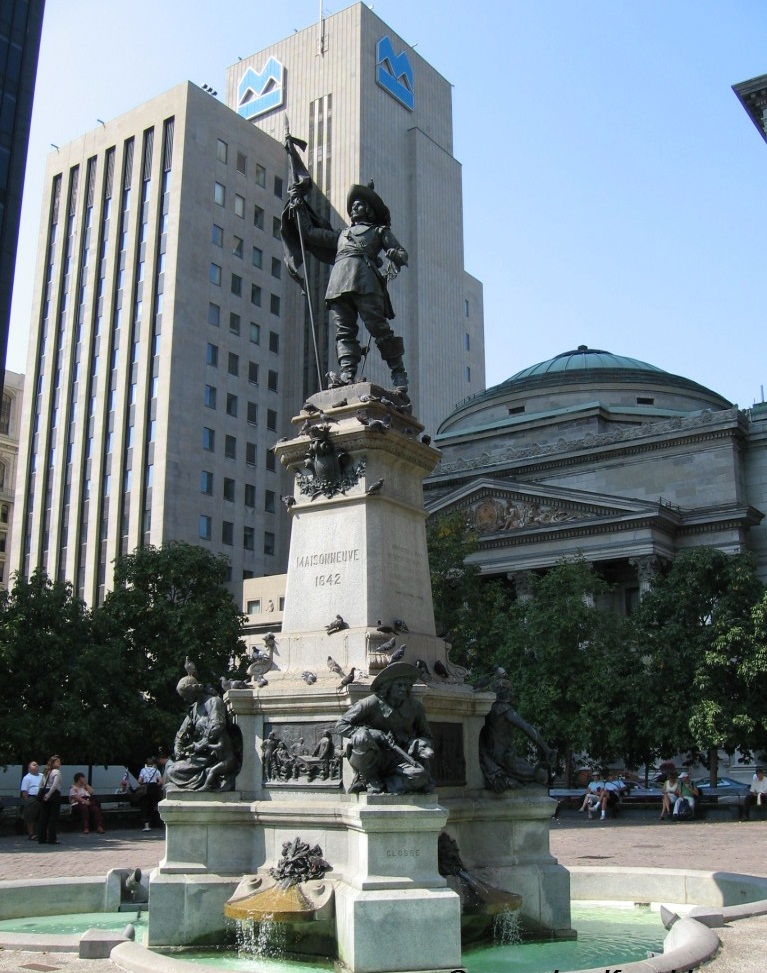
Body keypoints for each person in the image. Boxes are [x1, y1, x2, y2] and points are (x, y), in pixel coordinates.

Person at [288, 180, 409, 390]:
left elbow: (402, 254)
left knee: (378, 327)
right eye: (352, 205)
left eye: (359, 204)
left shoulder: (379, 232)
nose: (354, 207)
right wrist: (298, 205)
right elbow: (309, 234)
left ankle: (398, 372)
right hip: (338, 283)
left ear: (369, 210)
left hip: (365, 280)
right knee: (344, 332)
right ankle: (347, 373)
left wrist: (394, 255)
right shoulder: (341, 235)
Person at [336, 662, 433, 795]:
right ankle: (370, 778)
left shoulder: (415, 707)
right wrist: (372, 733)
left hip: (400, 758)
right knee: (361, 735)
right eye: (399, 685)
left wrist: (418, 743)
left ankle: (384, 784)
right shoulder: (370, 703)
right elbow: (341, 725)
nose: (404, 689)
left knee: (420, 776)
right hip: (373, 757)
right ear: (388, 686)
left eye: (407, 685)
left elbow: (427, 736)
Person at [478, 677, 553, 792]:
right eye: (509, 691)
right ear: (505, 692)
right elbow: (527, 728)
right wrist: (546, 749)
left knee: (531, 770)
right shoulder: (504, 709)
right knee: (541, 775)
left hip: (492, 755)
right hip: (504, 758)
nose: (511, 694)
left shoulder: (489, 709)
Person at [165, 676, 240, 791]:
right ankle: (196, 782)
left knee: (172, 771)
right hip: (202, 754)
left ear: (194, 690)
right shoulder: (194, 708)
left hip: (214, 753)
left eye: (186, 696)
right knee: (171, 770)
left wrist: (201, 744)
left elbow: (217, 725)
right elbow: (182, 731)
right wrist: (178, 746)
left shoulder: (214, 701)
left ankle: (202, 782)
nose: (185, 700)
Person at [37, 755, 63, 845]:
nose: (59, 763)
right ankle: (52, 838)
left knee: (44, 817)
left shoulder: (46, 772)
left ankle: (42, 837)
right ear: (53, 762)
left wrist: (43, 794)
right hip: (54, 794)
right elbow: (55, 785)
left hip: (45, 792)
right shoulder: (56, 772)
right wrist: (49, 794)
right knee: (53, 817)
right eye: (58, 761)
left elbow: (41, 784)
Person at [137, 757, 163, 832]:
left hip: (145, 789)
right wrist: (155, 784)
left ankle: (146, 826)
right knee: (152, 805)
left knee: (144, 806)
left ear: (146, 763)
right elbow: (160, 782)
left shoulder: (143, 770)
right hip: (154, 789)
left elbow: (139, 781)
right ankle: (153, 822)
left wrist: (144, 784)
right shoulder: (156, 771)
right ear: (153, 764)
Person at [19, 761, 42, 839]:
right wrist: (27, 801)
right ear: (29, 768)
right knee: (30, 817)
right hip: (32, 798)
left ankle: (42, 833)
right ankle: (31, 834)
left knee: (42, 816)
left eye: (37, 764)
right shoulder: (27, 778)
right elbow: (24, 791)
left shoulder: (42, 776)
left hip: (42, 798)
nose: (36, 766)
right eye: (34, 765)